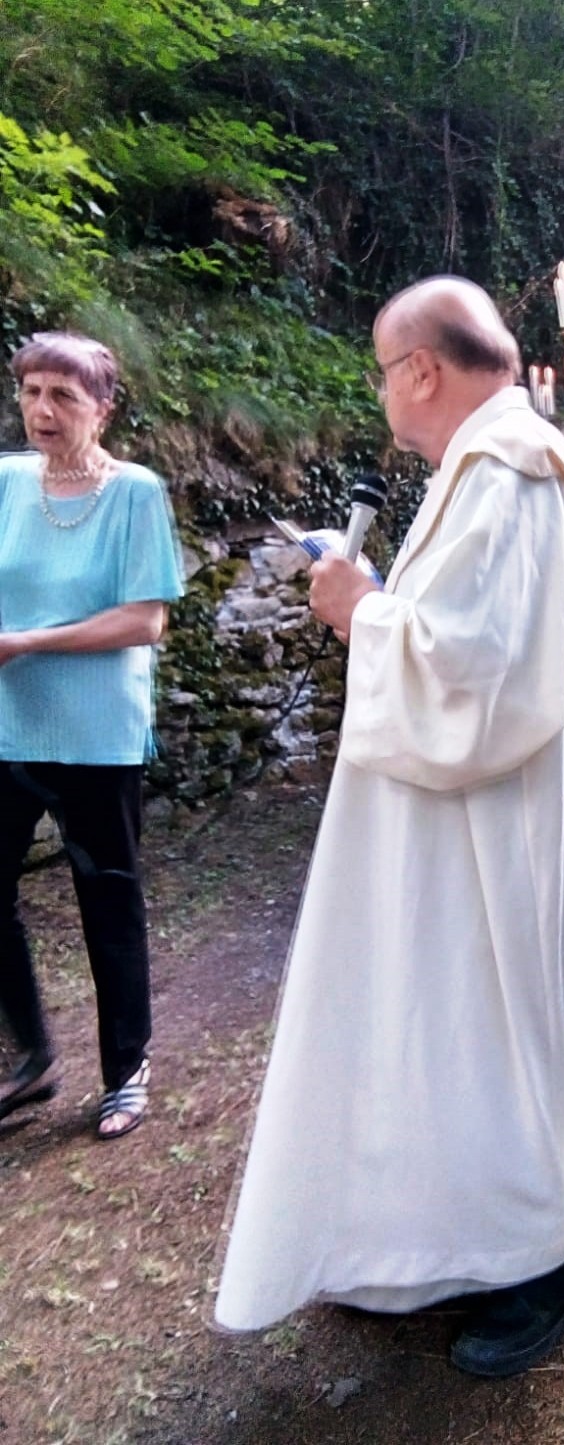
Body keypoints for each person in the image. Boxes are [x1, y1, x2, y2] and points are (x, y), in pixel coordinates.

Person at [215, 279, 564, 1378]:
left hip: (498, 830)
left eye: (383, 373)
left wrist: (358, 609)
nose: (383, 398)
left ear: (421, 369)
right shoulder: (490, 470)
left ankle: (533, 1259)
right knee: (456, 1027)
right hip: (476, 822)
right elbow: (466, 642)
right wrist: (380, 599)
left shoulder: (509, 477)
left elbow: (478, 678)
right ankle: (451, 1239)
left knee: (494, 1027)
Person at [0, 332, 183, 1139]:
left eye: (63, 396)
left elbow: (145, 619)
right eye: (32, 391)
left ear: (102, 410)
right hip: (8, 726)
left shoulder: (136, 493)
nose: (42, 409)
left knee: (106, 898)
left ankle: (126, 1068)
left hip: (95, 733)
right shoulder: (5, 482)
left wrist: (26, 641)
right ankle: (32, 1055)